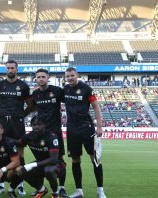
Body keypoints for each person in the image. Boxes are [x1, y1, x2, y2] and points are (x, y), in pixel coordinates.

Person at [63, 67, 106, 198]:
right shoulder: (65, 89)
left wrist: (99, 126)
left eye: (72, 75)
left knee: (95, 158)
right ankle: (79, 191)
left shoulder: (86, 89)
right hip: (71, 129)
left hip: (86, 127)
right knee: (75, 159)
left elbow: (96, 107)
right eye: (68, 76)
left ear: (77, 75)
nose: (70, 78)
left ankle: (100, 190)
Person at [0, 60, 32, 195]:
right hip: (3, 123)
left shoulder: (23, 86)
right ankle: (1, 183)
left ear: (17, 69)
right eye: (8, 68)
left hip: (17, 123)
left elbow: (31, 105)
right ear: (6, 70)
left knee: (20, 153)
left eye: (12, 68)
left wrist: (21, 115)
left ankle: (20, 184)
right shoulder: (0, 85)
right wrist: (1, 115)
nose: (10, 70)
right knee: (2, 152)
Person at [30, 68, 67, 197]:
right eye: (38, 77)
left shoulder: (57, 91)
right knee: (40, 159)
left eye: (43, 77)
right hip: (41, 132)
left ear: (48, 78)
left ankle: (62, 187)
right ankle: (40, 188)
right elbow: (33, 108)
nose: (41, 79)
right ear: (36, 79)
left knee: (59, 160)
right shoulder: (35, 94)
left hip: (55, 131)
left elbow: (68, 102)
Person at [15, 115, 62, 198]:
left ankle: (55, 193)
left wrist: (32, 165)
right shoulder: (29, 136)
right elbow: (17, 142)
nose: (36, 127)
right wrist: (3, 139)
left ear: (44, 124)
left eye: (39, 124)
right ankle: (41, 189)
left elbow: (53, 160)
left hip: (57, 164)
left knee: (48, 170)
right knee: (20, 171)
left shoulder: (51, 136)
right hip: (40, 163)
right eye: (34, 124)